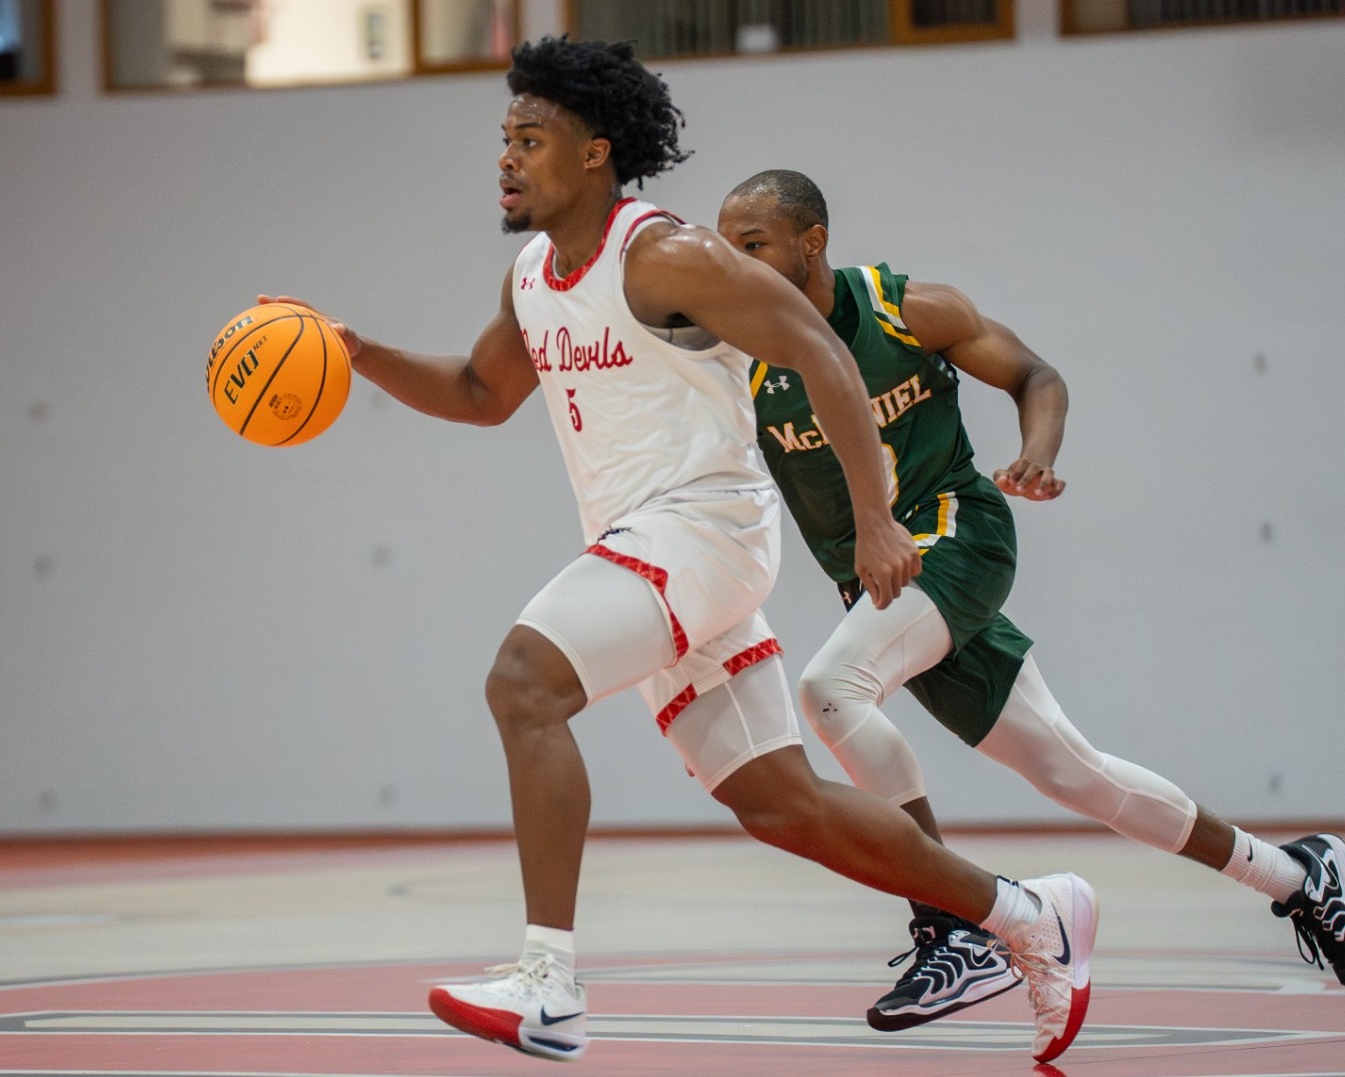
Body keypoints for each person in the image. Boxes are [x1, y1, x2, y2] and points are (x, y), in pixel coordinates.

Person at [265, 38, 1097, 1065]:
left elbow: (821, 350)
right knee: (781, 807)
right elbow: (479, 396)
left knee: (523, 684)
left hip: (701, 528)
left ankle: (546, 983)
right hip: (653, 548)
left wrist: (875, 516)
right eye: (503, 140)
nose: (507, 159)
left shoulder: (660, 254)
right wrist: (355, 354)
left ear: (594, 155)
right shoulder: (531, 276)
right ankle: (1025, 912)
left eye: (530, 140)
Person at [716, 168, 1345, 1032]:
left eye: (752, 245)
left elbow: (1034, 374)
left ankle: (949, 921)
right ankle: (1299, 875)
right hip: (884, 584)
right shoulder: (741, 354)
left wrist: (1037, 451)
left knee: (831, 690)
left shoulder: (907, 310)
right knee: (1071, 771)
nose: (734, 263)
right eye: (726, 249)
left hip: (957, 534)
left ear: (811, 243)